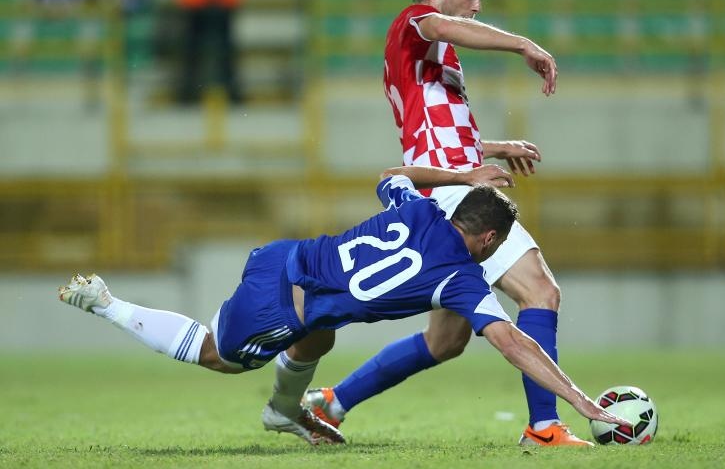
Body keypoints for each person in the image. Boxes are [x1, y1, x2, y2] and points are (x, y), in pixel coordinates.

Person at [58, 165, 629, 446]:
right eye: (499, 244)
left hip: (285, 258)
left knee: (319, 337)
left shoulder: (419, 207)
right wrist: (581, 400)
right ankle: (108, 304)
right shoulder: (461, 278)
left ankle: (286, 413)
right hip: (279, 306)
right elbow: (511, 341)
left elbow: (392, 174)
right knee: (219, 356)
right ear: (487, 239)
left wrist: (463, 175)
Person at [303, 0, 585, 448]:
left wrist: (492, 148)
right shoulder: (416, 21)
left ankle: (332, 402)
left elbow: (437, 133)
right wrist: (523, 44)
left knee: (445, 341)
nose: (477, 6)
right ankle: (544, 426)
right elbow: (444, 25)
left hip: (447, 188)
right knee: (540, 292)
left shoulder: (438, 57)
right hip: (455, 196)